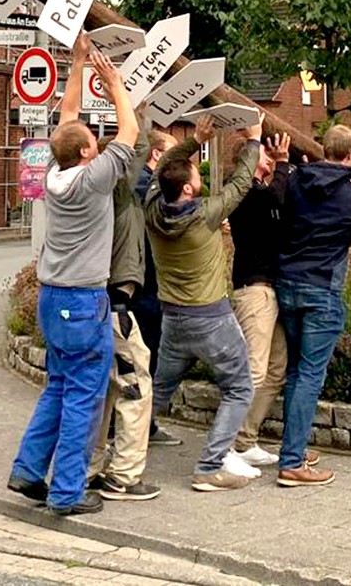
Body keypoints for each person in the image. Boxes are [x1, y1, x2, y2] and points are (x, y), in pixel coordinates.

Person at [7, 34, 138, 516]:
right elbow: (130, 131)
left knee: (58, 387)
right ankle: (66, 492)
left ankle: (27, 471)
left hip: (51, 299)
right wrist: (115, 82)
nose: (95, 140)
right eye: (91, 140)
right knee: (84, 394)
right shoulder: (94, 179)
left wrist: (78, 64)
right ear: (86, 153)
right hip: (84, 304)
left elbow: (66, 120)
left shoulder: (55, 175)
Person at [144, 113, 262, 492]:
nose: (199, 174)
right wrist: (254, 140)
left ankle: (123, 450)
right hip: (211, 318)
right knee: (240, 386)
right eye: (195, 173)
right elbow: (241, 184)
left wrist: (196, 139)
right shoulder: (204, 216)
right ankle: (210, 466)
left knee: (159, 389)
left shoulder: (153, 208)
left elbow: (163, 166)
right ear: (189, 191)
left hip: (173, 319)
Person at [275, 125, 351, 487]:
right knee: (308, 375)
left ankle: (294, 449)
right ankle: (291, 462)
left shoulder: (295, 182)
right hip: (322, 291)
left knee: (293, 371)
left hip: (287, 283)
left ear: (323, 149)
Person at [86, 121, 162, 502]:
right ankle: (125, 476)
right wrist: (139, 111)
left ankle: (91, 467)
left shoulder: (98, 195)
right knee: (136, 387)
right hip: (118, 307)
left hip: (101, 305)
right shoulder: (115, 192)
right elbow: (139, 150)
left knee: (102, 392)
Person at [228, 131, 293, 468]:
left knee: (276, 368)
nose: (271, 161)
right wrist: (281, 165)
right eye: (265, 157)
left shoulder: (257, 190)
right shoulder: (244, 193)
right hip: (255, 291)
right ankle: (224, 448)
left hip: (269, 288)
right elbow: (275, 201)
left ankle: (246, 438)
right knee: (254, 369)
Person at [134, 129, 183, 448]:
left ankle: (145, 424)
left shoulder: (147, 184)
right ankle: (134, 428)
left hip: (153, 284)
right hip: (144, 286)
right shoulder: (143, 186)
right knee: (144, 358)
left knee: (151, 357)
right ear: (156, 156)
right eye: (175, 157)